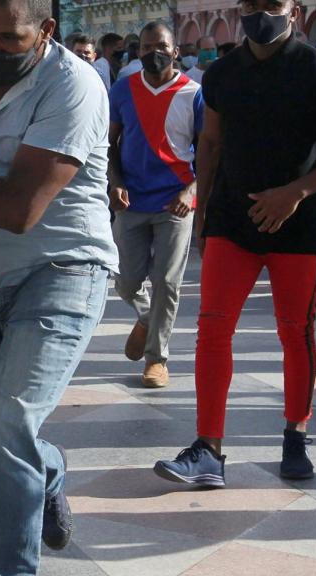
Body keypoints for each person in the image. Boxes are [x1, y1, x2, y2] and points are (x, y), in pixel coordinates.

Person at [0, 0, 118, 571]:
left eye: (9, 38)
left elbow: (18, 208)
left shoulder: (74, 86)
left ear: (46, 32)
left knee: (9, 425)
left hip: (63, 268)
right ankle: (48, 471)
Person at [154, 0, 316, 488]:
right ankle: (208, 450)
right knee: (213, 330)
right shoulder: (221, 74)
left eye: (272, 4)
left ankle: (295, 435)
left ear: (294, 10)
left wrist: (297, 192)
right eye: (253, 4)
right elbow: (212, 144)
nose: (261, 13)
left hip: (297, 222)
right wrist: (202, 212)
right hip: (231, 220)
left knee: (296, 331)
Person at [108, 21, 203, 388]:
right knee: (126, 281)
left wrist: (190, 192)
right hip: (130, 200)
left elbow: (209, 153)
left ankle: (156, 358)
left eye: (160, 46)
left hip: (175, 202)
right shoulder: (123, 89)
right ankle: (148, 318)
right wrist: (115, 183)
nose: (152, 53)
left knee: (167, 281)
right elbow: (110, 145)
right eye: (145, 47)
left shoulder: (194, 93)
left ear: (175, 50)